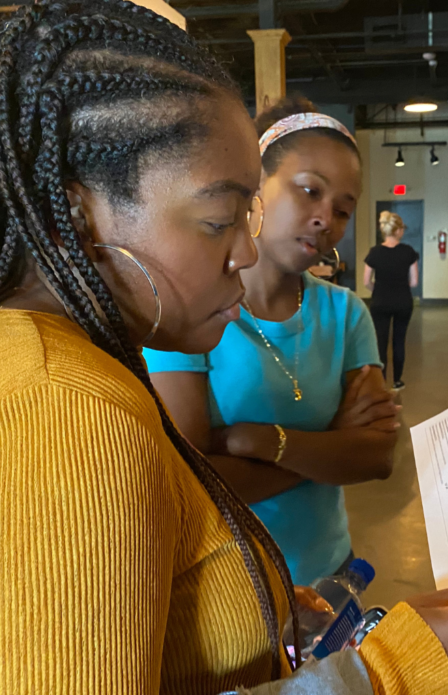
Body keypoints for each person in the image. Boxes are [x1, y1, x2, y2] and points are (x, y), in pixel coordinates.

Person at [0, 3, 448, 695]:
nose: (245, 253)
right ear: (78, 217)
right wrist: (390, 681)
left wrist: (258, 620)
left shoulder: (52, 366)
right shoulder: (54, 419)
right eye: (219, 219)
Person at [146, 97, 397, 587]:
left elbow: (376, 457)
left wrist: (260, 442)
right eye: (310, 191)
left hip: (331, 579)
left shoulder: (345, 314)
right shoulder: (189, 316)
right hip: (233, 593)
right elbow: (193, 487)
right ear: (255, 183)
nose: (327, 218)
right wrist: (328, 450)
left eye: (343, 209)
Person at [364, 211, 419, 390]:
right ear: (398, 231)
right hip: (403, 302)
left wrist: (378, 290)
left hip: (380, 302)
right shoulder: (409, 252)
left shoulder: (374, 252)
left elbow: (366, 282)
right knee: (398, 340)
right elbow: (414, 281)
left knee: (380, 342)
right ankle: (397, 381)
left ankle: (382, 381)